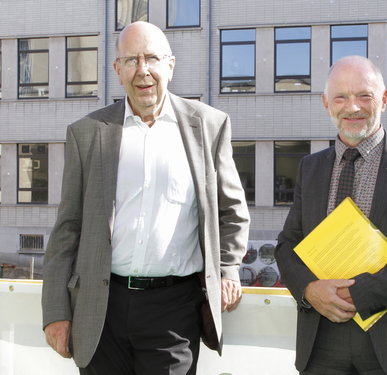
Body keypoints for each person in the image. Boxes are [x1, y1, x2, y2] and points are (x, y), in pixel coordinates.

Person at [41, 21, 250, 375]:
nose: (143, 71)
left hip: (174, 311)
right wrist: (56, 312)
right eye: (131, 60)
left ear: (170, 64)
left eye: (152, 58)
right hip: (100, 308)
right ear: (117, 69)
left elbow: (231, 211)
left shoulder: (209, 126)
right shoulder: (87, 134)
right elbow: (67, 228)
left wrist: (228, 268)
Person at [275, 56, 387, 375]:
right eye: (340, 97)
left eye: (364, 95)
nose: (352, 107)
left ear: (384, 99)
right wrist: (310, 290)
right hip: (321, 342)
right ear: (326, 103)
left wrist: (358, 294)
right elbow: (288, 245)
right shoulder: (310, 167)